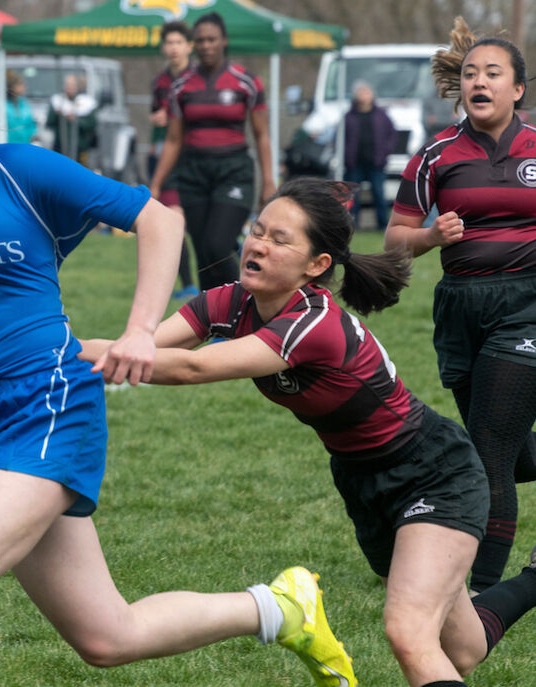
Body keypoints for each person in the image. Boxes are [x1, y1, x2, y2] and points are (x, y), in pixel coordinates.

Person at [0, 33, 356, 687]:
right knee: (106, 633)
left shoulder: (14, 171)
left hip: (49, 400)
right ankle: (279, 607)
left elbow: (161, 219)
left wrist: (142, 329)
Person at [80, 177, 536, 687]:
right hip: (362, 481)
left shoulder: (313, 322)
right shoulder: (231, 302)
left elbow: (191, 367)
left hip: (433, 472)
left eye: (280, 240)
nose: (257, 245)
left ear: (316, 266)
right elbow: (139, 344)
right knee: (465, 647)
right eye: (257, 231)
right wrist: (51, 349)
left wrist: (56, 350)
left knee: (409, 633)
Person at [385, 17, 536, 593]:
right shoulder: (436, 155)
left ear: (517, 89)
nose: (480, 81)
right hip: (460, 310)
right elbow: (396, 241)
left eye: (493, 73)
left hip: (527, 307)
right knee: (498, 448)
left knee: (491, 450)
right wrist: (430, 237)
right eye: (471, 72)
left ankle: (481, 592)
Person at [150, 12, 276, 291]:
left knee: (217, 245)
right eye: (201, 40)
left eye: (212, 39)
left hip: (234, 172)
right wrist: (156, 184)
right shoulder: (180, 86)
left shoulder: (247, 82)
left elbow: (262, 135)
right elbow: (173, 140)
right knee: (204, 254)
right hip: (193, 172)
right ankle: (216, 327)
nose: (206, 45)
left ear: (224, 41)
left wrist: (268, 181)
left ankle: (248, 303)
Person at [149, 21, 197, 300]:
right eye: (169, 43)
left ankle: (233, 248)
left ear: (189, 46)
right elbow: (157, 116)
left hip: (195, 160)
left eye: (179, 42)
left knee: (201, 226)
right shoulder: (160, 82)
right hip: (168, 162)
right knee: (174, 220)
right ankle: (189, 284)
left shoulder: (198, 79)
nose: (174, 48)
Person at [342, 81, 396, 230]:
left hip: (376, 162)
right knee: (353, 196)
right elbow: (340, 138)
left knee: (379, 194)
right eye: (361, 92)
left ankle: (383, 225)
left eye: (366, 92)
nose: (364, 96)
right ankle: (352, 225)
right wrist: (346, 155)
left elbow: (391, 134)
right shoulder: (349, 117)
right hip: (354, 163)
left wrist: (386, 151)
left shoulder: (381, 116)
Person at [46, 73, 97, 166]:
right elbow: (49, 123)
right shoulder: (57, 101)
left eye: (72, 85)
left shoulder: (86, 102)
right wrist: (57, 114)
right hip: (60, 148)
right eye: (67, 85)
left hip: (81, 148)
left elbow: (92, 124)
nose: (69, 88)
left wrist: (75, 120)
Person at [0, 69, 36, 144]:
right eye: (20, 84)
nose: (24, 87)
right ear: (12, 86)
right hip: (6, 146)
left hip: (24, 145)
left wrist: (35, 138)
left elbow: (31, 125)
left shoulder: (24, 103)